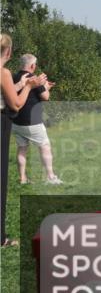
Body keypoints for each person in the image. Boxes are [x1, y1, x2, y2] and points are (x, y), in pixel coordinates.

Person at [1, 33, 48, 247]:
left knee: (20, 151)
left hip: (13, 125)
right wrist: (30, 86)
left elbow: (6, 94)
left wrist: (20, 84)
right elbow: (15, 105)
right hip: (7, 123)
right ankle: (1, 239)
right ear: (8, 52)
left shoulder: (10, 75)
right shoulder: (3, 72)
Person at [12, 54, 60, 185]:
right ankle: (51, 177)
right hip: (32, 122)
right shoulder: (34, 79)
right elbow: (45, 97)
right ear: (33, 66)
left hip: (16, 121)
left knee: (22, 149)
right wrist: (47, 88)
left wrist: (43, 86)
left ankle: (22, 178)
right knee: (45, 147)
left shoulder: (14, 77)